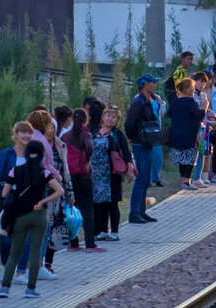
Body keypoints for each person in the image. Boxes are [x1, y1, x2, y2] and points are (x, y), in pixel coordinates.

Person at [0, 141, 64, 299]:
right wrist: (43, 202)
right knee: (35, 253)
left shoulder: (15, 171)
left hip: (20, 215)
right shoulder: (44, 173)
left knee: (15, 252)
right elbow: (60, 191)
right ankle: (31, 289)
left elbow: (4, 194)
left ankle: (5, 287)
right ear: (42, 155)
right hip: (39, 215)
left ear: (26, 154)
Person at [0, 122, 35, 282]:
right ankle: (5, 269)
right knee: (6, 236)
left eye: (29, 133)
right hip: (9, 198)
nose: (26, 136)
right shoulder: (6, 154)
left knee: (26, 236)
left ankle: (21, 272)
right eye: (22, 132)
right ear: (15, 134)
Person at [61, 109, 102, 252]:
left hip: (69, 177)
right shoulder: (86, 133)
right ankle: (90, 243)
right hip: (84, 176)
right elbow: (90, 146)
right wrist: (87, 160)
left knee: (72, 208)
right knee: (87, 209)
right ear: (86, 119)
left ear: (72, 119)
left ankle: (74, 243)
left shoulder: (66, 136)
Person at [91, 107, 133, 241]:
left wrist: (130, 168)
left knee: (112, 203)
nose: (110, 119)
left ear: (117, 120)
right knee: (99, 203)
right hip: (96, 174)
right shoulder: (94, 132)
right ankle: (102, 230)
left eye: (114, 117)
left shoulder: (117, 134)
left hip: (111, 173)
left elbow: (126, 152)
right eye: (108, 115)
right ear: (103, 117)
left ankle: (114, 232)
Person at [125, 74, 161, 224]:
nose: (155, 85)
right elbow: (129, 123)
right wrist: (131, 137)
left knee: (145, 179)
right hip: (140, 144)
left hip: (147, 143)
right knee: (141, 179)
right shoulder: (138, 102)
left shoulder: (146, 101)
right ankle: (134, 213)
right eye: (153, 82)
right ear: (145, 84)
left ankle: (141, 212)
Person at [169, 79, 215, 190]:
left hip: (176, 133)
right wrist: (205, 106)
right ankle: (186, 181)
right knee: (190, 157)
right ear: (185, 89)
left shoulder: (175, 101)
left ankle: (183, 181)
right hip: (190, 133)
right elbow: (199, 115)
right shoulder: (190, 102)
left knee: (181, 157)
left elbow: (169, 113)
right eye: (191, 87)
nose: (193, 89)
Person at [42, 121, 75, 278]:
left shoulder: (60, 146)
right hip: (42, 193)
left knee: (54, 230)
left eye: (52, 127)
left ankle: (48, 263)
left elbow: (66, 170)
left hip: (58, 194)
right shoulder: (37, 145)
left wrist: (70, 194)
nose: (49, 131)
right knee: (42, 229)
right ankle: (38, 263)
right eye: (46, 127)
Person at [190, 72, 213, 188]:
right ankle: (189, 177)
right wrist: (204, 107)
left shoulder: (203, 95)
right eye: (200, 81)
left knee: (202, 151)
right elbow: (198, 110)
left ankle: (197, 177)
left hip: (202, 126)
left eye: (204, 81)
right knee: (192, 152)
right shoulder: (191, 95)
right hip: (193, 126)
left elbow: (205, 111)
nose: (203, 84)